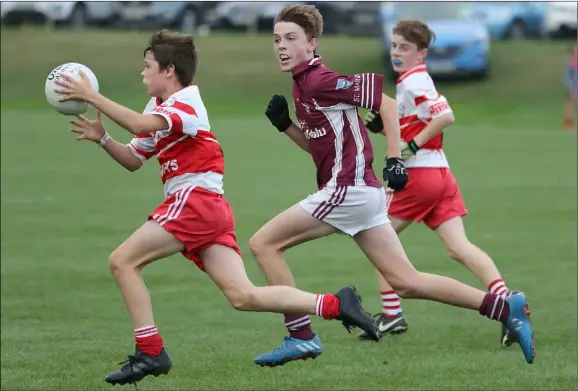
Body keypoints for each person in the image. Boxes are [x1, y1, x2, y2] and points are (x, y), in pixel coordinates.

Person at [53, 29, 381, 386]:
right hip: (207, 209)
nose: (142, 74)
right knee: (243, 296)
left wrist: (92, 96)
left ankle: (150, 352)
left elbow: (138, 124)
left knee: (122, 261)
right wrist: (102, 139)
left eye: (147, 66)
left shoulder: (187, 102)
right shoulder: (159, 107)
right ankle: (336, 305)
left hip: (194, 203)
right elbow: (133, 158)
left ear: (169, 70)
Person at [250, 5, 536, 368]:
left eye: (291, 38)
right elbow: (320, 151)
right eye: (277, 39)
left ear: (312, 43)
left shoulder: (320, 80)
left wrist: (396, 159)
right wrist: (286, 126)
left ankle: (301, 335)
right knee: (407, 282)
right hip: (360, 194)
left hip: (347, 190)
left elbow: (385, 105)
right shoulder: (301, 86)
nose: (282, 46)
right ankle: (504, 307)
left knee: (263, 244)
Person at [357, 19, 523, 350]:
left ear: (422, 53)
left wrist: (414, 146)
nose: (397, 53)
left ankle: (392, 314)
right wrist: (384, 130)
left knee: (376, 237)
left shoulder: (417, 80)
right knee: (459, 248)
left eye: (405, 48)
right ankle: (510, 307)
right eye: (394, 46)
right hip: (441, 176)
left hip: (420, 178)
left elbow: (445, 116)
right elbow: (417, 125)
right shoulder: (409, 81)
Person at [564, 43, 577, 131]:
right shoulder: (569, 61)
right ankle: (568, 125)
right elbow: (567, 76)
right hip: (573, 87)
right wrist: (571, 88)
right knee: (570, 106)